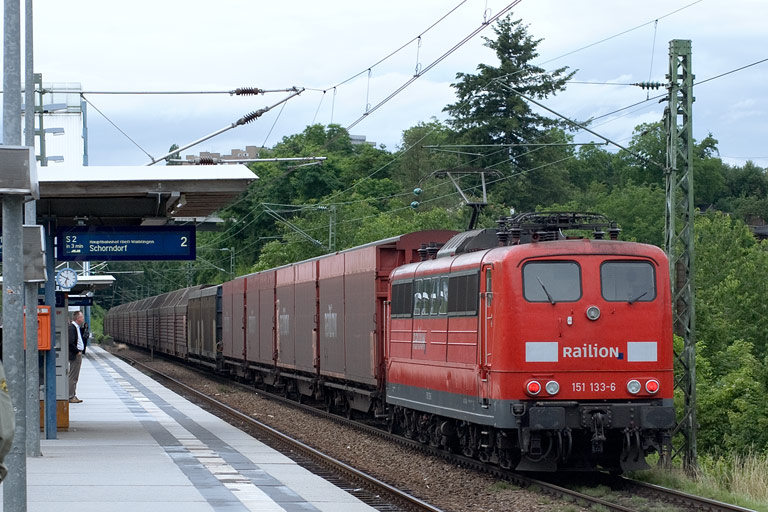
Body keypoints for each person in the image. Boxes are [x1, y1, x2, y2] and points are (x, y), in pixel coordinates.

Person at [68, 311, 86, 403]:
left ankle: (72, 394)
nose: (83, 318)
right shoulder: (72, 327)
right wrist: (77, 351)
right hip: (75, 355)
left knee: (75, 376)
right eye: (82, 317)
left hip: (77, 354)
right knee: (73, 376)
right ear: (77, 318)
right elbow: (70, 342)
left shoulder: (76, 327)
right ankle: (71, 396)